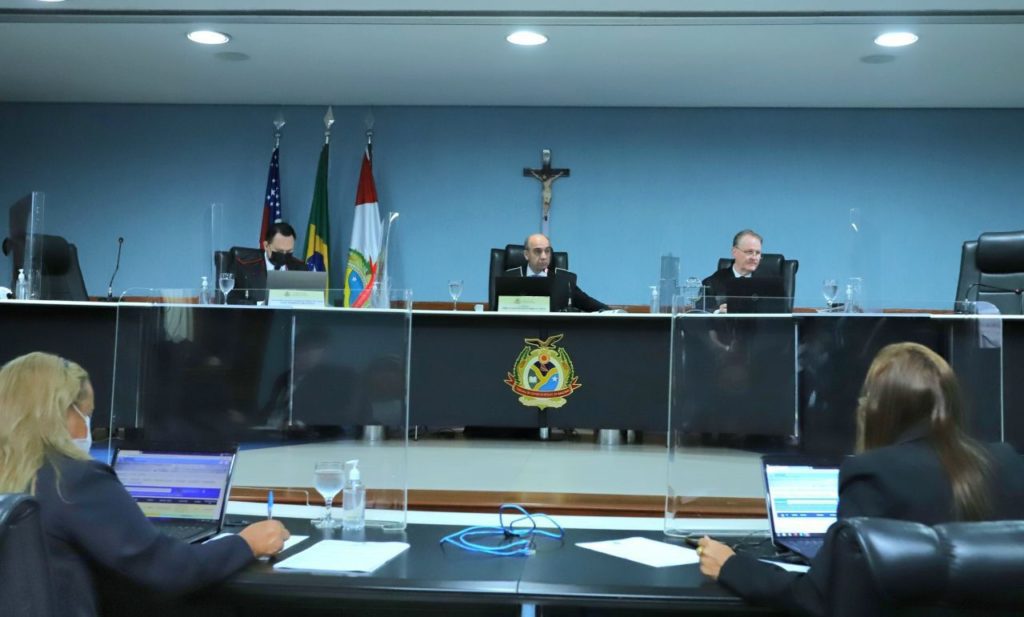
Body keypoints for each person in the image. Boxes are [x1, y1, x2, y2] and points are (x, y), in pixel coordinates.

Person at [695, 342, 1024, 617]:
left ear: (878, 409)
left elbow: (817, 599)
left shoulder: (874, 473)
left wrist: (732, 566)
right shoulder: (1008, 462)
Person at [0, 352, 290, 617]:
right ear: (60, 412)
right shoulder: (74, 479)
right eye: (86, 415)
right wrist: (247, 543)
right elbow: (169, 569)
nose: (88, 427)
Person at [504, 233, 609, 312]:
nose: (544, 256)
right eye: (538, 251)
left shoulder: (564, 281)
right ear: (526, 254)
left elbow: (589, 304)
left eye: (547, 251)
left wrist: (614, 312)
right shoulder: (510, 278)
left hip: (556, 333)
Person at [230, 221, 307, 304]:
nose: (284, 255)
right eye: (280, 251)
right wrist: (259, 305)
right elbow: (230, 298)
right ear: (266, 246)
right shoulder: (244, 265)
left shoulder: (300, 268)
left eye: (289, 251)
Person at [701, 229, 763, 313]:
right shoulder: (712, 283)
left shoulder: (768, 283)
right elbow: (700, 311)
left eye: (758, 253)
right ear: (734, 252)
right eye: (749, 252)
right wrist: (718, 312)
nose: (754, 257)